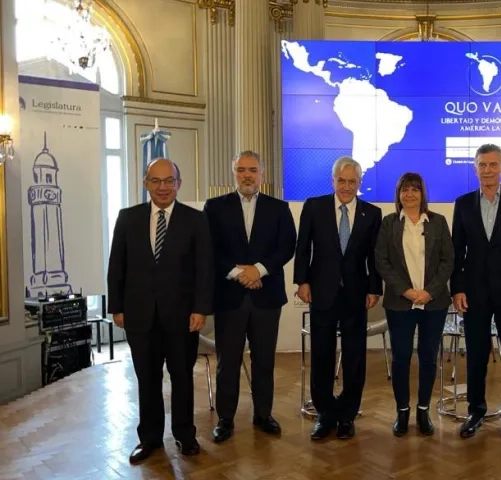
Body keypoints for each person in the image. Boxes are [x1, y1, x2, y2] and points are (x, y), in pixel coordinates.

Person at [107, 158, 213, 463]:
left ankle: (185, 434)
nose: (163, 187)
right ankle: (150, 438)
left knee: (182, 377)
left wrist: (200, 308)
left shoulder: (196, 220)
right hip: (139, 315)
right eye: (156, 180)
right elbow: (117, 267)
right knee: (147, 379)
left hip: (183, 317)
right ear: (146, 183)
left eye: (169, 181)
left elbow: (203, 268)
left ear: (178, 184)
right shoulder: (128, 218)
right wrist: (117, 307)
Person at [203, 151, 297, 443]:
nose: (247, 175)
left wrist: (258, 270)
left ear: (262, 174)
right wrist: (238, 273)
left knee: (264, 360)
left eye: (253, 170)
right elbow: (208, 249)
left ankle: (263, 415)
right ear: (234, 173)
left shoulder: (279, 208)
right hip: (229, 297)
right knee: (227, 361)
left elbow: (286, 247)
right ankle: (226, 419)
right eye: (241, 170)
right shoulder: (215, 207)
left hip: (266, 297)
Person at [294, 156, 383, 441]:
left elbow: (373, 257)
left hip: (356, 295)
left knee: (355, 357)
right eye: (341, 181)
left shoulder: (372, 213)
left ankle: (347, 415)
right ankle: (325, 414)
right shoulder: (314, 206)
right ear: (333, 181)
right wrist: (302, 281)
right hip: (321, 291)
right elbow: (302, 247)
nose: (346, 187)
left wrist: (374, 288)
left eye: (352, 182)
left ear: (359, 183)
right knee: (322, 354)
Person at [451, 144, 501, 440]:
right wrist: (456, 288)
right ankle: (476, 411)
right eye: (482, 165)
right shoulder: (462, 204)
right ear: (475, 169)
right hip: (473, 292)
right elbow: (456, 252)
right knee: (476, 354)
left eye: (493, 165)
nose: (487, 170)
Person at [374, 172, 454, 437]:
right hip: (400, 303)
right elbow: (382, 261)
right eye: (404, 190)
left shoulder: (439, 222)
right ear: (398, 194)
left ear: (423, 193)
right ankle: (402, 412)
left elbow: (448, 261)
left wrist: (429, 292)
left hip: (434, 302)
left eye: (414, 189)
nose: (409, 194)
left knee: (429, 357)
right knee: (401, 357)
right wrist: (406, 291)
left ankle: (422, 411)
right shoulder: (389, 224)